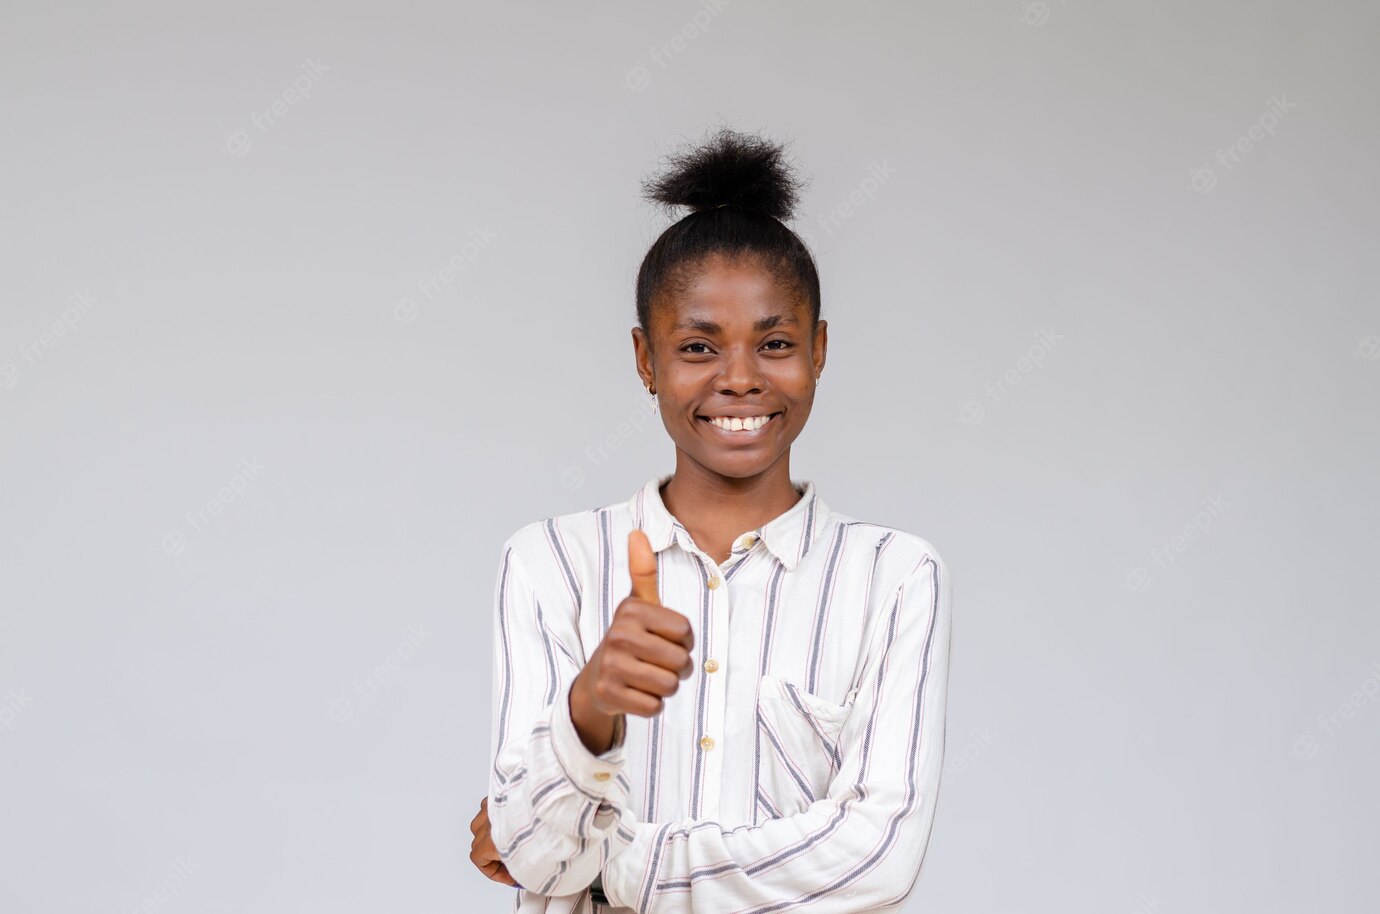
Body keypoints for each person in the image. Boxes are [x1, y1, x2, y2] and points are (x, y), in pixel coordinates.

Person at [469, 126, 953, 912]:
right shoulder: (550, 563)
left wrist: (614, 864)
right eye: (697, 346)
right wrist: (589, 706)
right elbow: (536, 861)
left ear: (819, 351)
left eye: (776, 342)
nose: (738, 379)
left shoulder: (894, 578)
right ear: (645, 360)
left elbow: (878, 858)